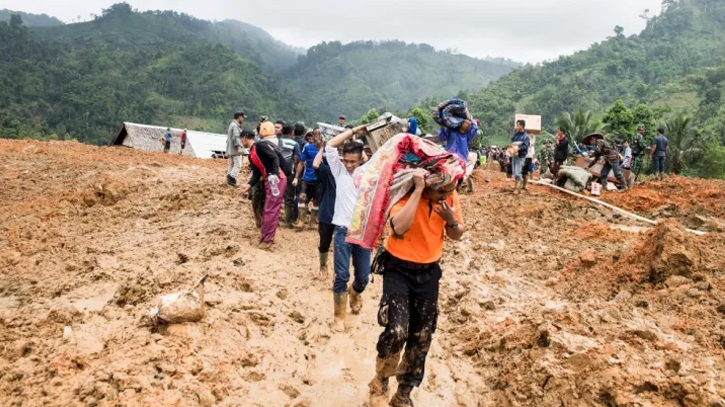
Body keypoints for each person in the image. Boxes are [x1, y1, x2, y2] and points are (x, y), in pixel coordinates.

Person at [368, 172, 465, 407]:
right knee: (397, 330)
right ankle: (380, 380)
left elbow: (456, 234)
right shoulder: (406, 194)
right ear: (426, 186)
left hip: (428, 271)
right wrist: (419, 191)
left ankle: (404, 392)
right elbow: (399, 228)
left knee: (421, 336)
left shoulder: (450, 196)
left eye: (449, 191)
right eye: (441, 191)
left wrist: (451, 220)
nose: (446, 195)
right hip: (398, 268)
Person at [325, 125, 372, 332]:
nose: (349, 165)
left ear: (361, 158)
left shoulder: (367, 172)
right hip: (343, 230)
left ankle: (355, 292)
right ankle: (339, 317)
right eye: (347, 161)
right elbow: (330, 145)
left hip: (363, 232)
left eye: (353, 161)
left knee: (363, 277)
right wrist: (354, 131)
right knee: (341, 275)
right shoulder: (339, 170)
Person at [238, 122, 291, 249]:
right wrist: (249, 185)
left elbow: (274, 158)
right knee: (268, 208)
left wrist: (275, 173)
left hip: (277, 180)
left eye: (240, 139)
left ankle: (267, 240)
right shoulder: (251, 154)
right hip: (269, 180)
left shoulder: (260, 145)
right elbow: (257, 173)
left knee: (271, 209)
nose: (240, 142)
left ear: (244, 138)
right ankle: (265, 236)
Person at [313, 140, 337, 277]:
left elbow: (363, 159)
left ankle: (338, 271)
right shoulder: (328, 172)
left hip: (343, 214)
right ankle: (323, 265)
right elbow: (316, 164)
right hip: (328, 212)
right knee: (324, 242)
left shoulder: (348, 171)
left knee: (341, 245)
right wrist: (322, 148)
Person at [296, 130, 322, 226]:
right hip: (306, 178)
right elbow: (301, 163)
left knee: (316, 201)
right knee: (302, 198)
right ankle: (301, 220)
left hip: (319, 180)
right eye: (314, 135)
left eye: (318, 135)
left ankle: (313, 221)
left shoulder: (325, 149)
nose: (315, 137)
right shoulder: (307, 147)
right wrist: (296, 177)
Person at [279, 125, 303, 228]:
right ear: (291, 133)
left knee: (275, 196)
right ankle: (288, 221)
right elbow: (296, 159)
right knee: (289, 198)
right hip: (289, 173)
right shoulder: (295, 144)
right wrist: (296, 175)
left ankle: (273, 220)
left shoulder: (276, 142)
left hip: (277, 172)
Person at [511, 120, 531, 193]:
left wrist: (518, 149)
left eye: (517, 125)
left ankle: (517, 188)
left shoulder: (526, 136)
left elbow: (525, 146)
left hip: (520, 156)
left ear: (521, 126)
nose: (516, 127)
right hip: (514, 155)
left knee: (518, 172)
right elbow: (512, 141)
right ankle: (516, 184)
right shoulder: (516, 135)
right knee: (514, 171)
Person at [226, 111, 245, 187]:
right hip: (235, 149)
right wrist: (239, 147)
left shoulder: (232, 124)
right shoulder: (235, 126)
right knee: (238, 164)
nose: (243, 119)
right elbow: (236, 137)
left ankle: (229, 180)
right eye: (242, 117)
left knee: (231, 164)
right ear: (239, 117)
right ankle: (232, 178)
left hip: (230, 149)